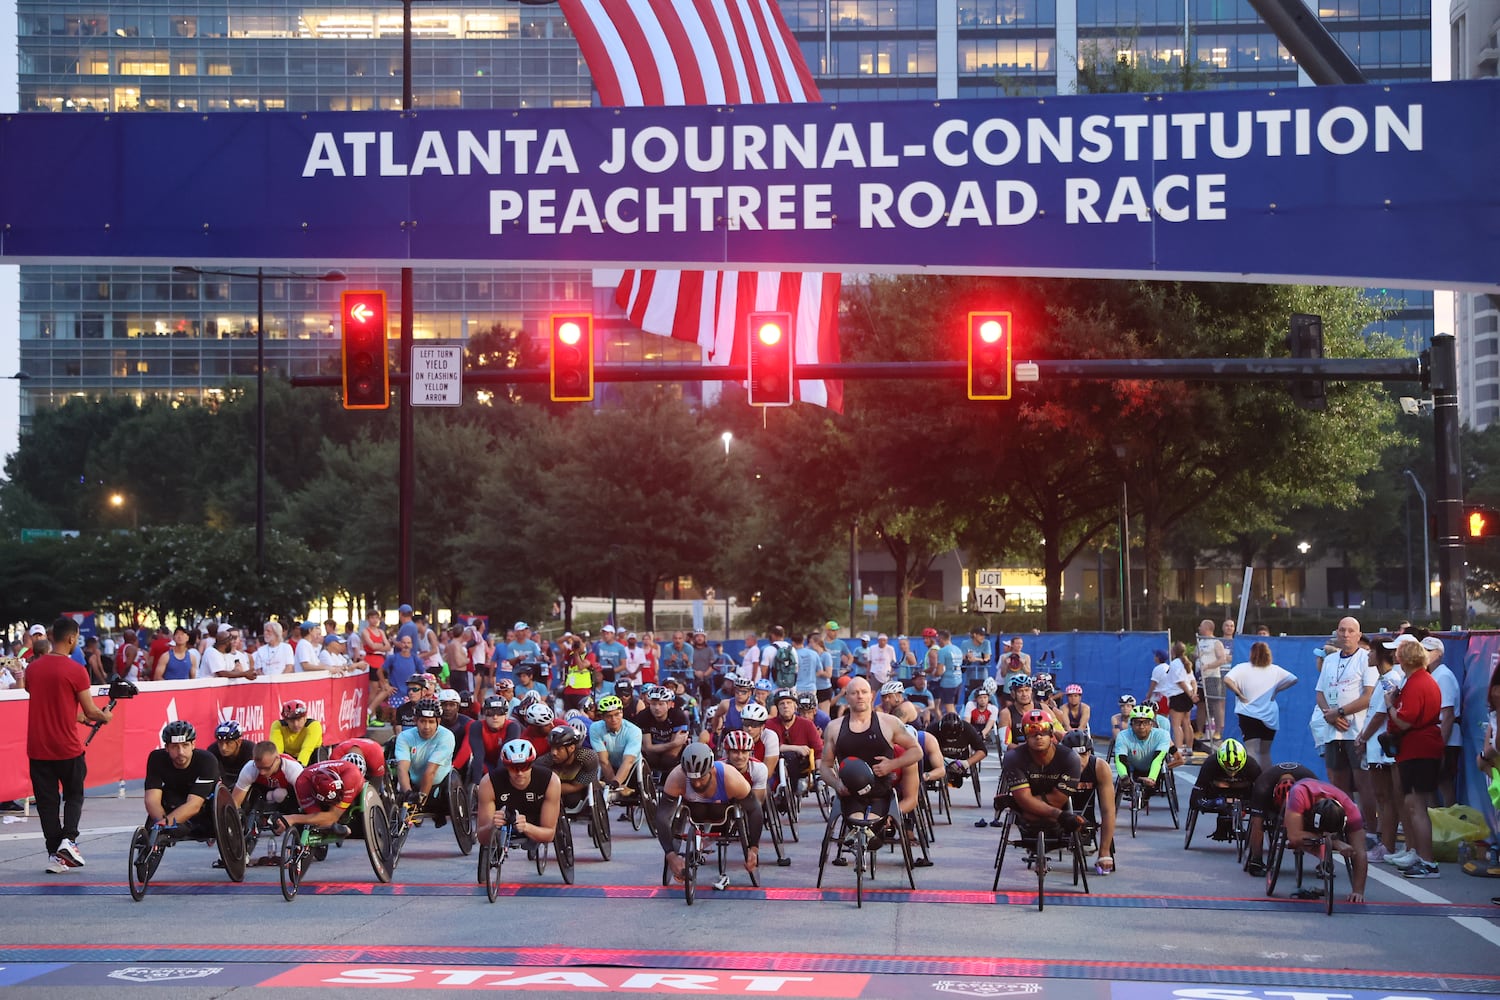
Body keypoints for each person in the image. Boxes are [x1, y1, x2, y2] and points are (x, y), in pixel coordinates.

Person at [26, 617, 112, 873]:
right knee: (74, 795)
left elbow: (49, 703)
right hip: (67, 747)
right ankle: (69, 840)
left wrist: (81, 716)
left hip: (38, 747)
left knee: (46, 804)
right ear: (72, 638)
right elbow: (91, 710)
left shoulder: (33, 669)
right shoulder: (76, 670)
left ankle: (55, 854)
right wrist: (105, 716)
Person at [817, 677, 923, 831]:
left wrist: (891, 765)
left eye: (863, 692)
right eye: (854, 693)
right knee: (857, 825)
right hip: (850, 793)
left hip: (880, 794)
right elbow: (825, 766)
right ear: (847, 697)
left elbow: (916, 751)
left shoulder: (889, 723)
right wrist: (836, 783)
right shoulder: (834, 727)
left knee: (872, 827)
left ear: (871, 696)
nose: (859, 696)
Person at [1383, 635, 1444, 878]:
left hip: (1419, 748)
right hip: (1417, 748)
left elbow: (1404, 721)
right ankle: (1421, 856)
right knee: (1412, 804)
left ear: (1404, 659)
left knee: (1417, 805)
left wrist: (1390, 705)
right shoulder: (1418, 680)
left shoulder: (1419, 682)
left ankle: (1427, 861)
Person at [657, 742, 761, 881]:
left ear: (712, 769)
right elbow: (662, 817)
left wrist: (753, 848)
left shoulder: (730, 777)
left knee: (722, 809)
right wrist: (670, 854)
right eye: (692, 779)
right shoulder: (677, 777)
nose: (697, 783)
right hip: (695, 810)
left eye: (701, 778)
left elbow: (754, 809)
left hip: (722, 813)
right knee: (689, 809)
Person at [1314, 617, 1380, 826]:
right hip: (1334, 730)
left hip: (1357, 731)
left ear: (1359, 635)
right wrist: (1329, 715)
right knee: (1338, 783)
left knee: (1363, 783)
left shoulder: (1365, 659)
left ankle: (1369, 829)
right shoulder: (1331, 660)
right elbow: (1320, 693)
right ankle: (1346, 826)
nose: (1346, 634)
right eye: (1342, 630)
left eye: (1351, 631)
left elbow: (1369, 696)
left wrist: (1340, 712)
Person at [998, 708, 1085, 842]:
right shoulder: (1013, 758)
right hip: (1044, 814)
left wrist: (1021, 804)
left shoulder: (1070, 758)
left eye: (1043, 730)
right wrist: (1059, 815)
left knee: (1032, 812)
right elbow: (1024, 799)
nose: (1038, 736)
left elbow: (1057, 800)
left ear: (1051, 734)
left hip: (1045, 809)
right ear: (1025, 736)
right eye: (1032, 731)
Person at [1283, 778, 1370, 903]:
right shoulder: (1299, 795)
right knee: (1297, 840)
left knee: (1356, 845)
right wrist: (1334, 842)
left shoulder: (1351, 810)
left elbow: (1360, 852)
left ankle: (1325, 854)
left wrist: (1358, 891)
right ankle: (1321, 853)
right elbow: (1294, 835)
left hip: (1333, 803)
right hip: (1304, 798)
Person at [476, 739, 562, 862]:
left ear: (532, 763)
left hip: (535, 818)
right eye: (513, 767)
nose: (520, 772)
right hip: (504, 818)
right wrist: (491, 825)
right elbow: (482, 837)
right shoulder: (488, 782)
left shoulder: (550, 781)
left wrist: (527, 827)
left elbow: (549, 834)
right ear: (506, 766)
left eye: (525, 766)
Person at [1222, 641, 1298, 769]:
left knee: (1252, 750)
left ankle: (1254, 779)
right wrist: (1276, 689)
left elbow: (1227, 680)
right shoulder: (1275, 670)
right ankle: (1267, 780)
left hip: (1248, 713)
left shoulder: (1242, 668)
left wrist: (1239, 693)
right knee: (1265, 752)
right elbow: (1293, 679)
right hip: (1269, 715)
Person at [143, 720, 221, 836]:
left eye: (185, 745)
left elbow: (194, 805)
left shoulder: (207, 761)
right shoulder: (156, 758)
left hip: (203, 807)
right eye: (174, 747)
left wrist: (166, 823)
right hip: (173, 800)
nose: (180, 752)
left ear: (193, 745)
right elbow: (151, 800)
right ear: (166, 748)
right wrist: (161, 824)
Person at [1242, 761, 1317, 876]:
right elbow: (1257, 825)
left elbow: (1321, 816)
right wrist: (1256, 860)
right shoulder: (1263, 786)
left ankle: (1324, 861)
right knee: (1257, 819)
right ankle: (1256, 859)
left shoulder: (1310, 783)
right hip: (1270, 801)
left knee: (1318, 816)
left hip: (1301, 801)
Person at [1059, 729, 1116, 873]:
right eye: (1073, 755)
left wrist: (1104, 852)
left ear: (1089, 753)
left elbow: (1108, 811)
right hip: (1058, 816)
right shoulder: (1054, 765)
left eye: (1083, 754)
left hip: (1086, 819)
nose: (1078, 760)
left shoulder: (1100, 767)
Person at [393, 698, 457, 821]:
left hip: (439, 784)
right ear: (415, 720)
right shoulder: (404, 737)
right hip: (413, 780)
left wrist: (421, 800)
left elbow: (430, 771)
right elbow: (402, 768)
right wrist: (408, 794)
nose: (426, 727)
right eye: (422, 721)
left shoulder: (447, 736)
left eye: (431, 722)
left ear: (438, 721)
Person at [1188, 738, 1262, 841]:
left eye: (1236, 764)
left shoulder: (1251, 766)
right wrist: (1214, 802)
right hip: (1217, 793)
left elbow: (1261, 792)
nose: (1231, 770)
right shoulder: (1210, 764)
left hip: (1243, 792)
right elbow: (1195, 799)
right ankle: (1222, 825)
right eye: (1227, 765)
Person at [1113, 705, 1183, 798]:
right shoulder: (1123, 736)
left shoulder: (1162, 735)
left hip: (1153, 768)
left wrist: (1152, 778)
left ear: (1151, 724)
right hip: (1133, 767)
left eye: (1145, 723)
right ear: (1131, 724)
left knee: (1151, 787)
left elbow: (1158, 759)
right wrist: (1124, 776)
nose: (1141, 727)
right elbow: (1120, 758)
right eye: (1137, 723)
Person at [589, 694, 644, 801]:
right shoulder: (595, 728)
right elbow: (603, 760)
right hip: (610, 765)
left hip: (632, 767)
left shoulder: (634, 731)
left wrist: (616, 783)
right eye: (609, 716)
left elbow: (628, 761)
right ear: (602, 717)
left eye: (617, 714)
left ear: (622, 713)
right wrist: (614, 784)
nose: (614, 719)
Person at [637, 684, 691, 775]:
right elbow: (648, 748)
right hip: (653, 755)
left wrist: (672, 745)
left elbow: (674, 752)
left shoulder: (679, 716)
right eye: (653, 704)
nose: (657, 708)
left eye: (661, 704)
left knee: (668, 760)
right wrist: (673, 743)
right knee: (650, 759)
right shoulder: (643, 715)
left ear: (669, 704)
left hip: (670, 755)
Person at [547, 723, 600, 812]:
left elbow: (576, 787)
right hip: (556, 788)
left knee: (572, 800)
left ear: (571, 748)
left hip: (579, 787)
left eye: (559, 749)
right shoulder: (545, 761)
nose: (554, 753)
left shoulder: (588, 758)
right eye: (552, 748)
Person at [1195, 618, 1231, 742]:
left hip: (1212, 676)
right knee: (1201, 704)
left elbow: (1222, 659)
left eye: (1201, 626)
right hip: (1199, 677)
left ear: (1207, 628)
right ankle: (1199, 731)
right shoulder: (1199, 641)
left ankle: (1218, 732)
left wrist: (1209, 666)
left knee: (1216, 704)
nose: (1199, 628)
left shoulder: (1216, 642)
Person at [271, 699, 324, 766]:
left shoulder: (314, 725)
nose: (296, 724)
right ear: (286, 720)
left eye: (299, 720)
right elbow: (277, 751)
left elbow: (307, 749)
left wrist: (299, 768)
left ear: (305, 718)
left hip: (312, 758)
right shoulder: (278, 726)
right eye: (291, 721)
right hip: (289, 758)